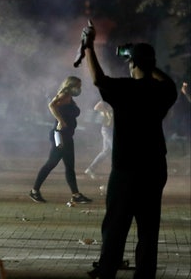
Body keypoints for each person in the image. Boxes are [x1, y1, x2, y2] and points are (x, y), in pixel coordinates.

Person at [79, 23, 177, 279]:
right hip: (154, 168)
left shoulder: (123, 89)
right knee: (148, 229)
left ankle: (108, 270)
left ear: (131, 64)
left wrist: (89, 47)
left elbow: (98, 79)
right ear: (152, 64)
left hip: (125, 169)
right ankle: (145, 275)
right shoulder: (162, 91)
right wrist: (146, 62)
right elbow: (169, 82)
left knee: (115, 227)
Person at [28, 76, 93, 204]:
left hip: (67, 135)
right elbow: (51, 105)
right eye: (78, 86)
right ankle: (34, 191)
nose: (79, 89)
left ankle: (76, 194)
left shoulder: (69, 97)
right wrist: (60, 121)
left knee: (69, 166)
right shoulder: (63, 95)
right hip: (61, 135)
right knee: (52, 163)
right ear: (71, 85)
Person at [84, 100, 113, 179]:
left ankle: (91, 168)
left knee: (106, 151)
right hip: (107, 129)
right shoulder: (105, 101)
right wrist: (106, 111)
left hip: (110, 129)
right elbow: (96, 107)